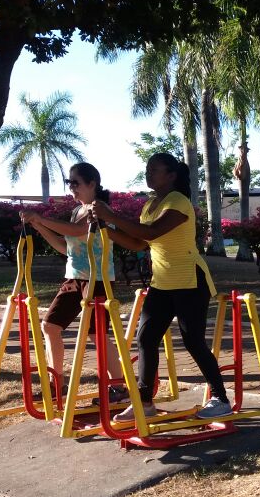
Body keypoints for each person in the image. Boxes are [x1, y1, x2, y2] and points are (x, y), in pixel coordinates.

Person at [89, 152, 232, 422]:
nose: (148, 173)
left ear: (171, 175)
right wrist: (105, 228)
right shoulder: (150, 205)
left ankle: (220, 399)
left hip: (189, 281)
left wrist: (112, 215)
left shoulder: (178, 202)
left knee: (193, 341)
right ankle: (144, 403)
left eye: (154, 169)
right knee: (145, 339)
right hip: (162, 282)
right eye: (147, 169)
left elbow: (153, 232)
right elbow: (139, 243)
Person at [19, 162, 127, 403]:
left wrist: (41, 218)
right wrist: (39, 225)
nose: (72, 188)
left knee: (96, 334)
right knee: (50, 326)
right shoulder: (77, 211)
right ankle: (56, 384)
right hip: (74, 278)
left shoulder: (99, 208)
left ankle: (119, 388)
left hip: (97, 279)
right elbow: (64, 247)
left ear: (92, 183)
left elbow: (79, 231)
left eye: (76, 183)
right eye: (69, 183)